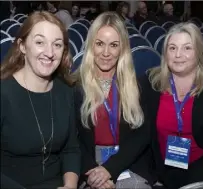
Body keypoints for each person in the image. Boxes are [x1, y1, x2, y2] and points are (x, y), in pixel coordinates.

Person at [73, 11, 154, 189]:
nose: (106, 53)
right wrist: (94, 173)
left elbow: (142, 136)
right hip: (89, 166)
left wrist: (110, 169)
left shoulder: (138, 85)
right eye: (100, 44)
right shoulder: (76, 86)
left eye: (114, 45)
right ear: (91, 45)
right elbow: (72, 139)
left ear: (122, 48)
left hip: (128, 163)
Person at [1, 11, 80, 189]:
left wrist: (70, 185)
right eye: (39, 42)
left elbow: (71, 149)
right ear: (22, 46)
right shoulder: (4, 92)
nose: (49, 53)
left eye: (57, 45)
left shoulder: (66, 90)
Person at [140, 22, 203, 189]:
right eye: (172, 48)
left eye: (187, 48)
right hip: (158, 167)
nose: (178, 54)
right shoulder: (150, 83)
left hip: (201, 167)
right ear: (165, 53)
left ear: (199, 52)